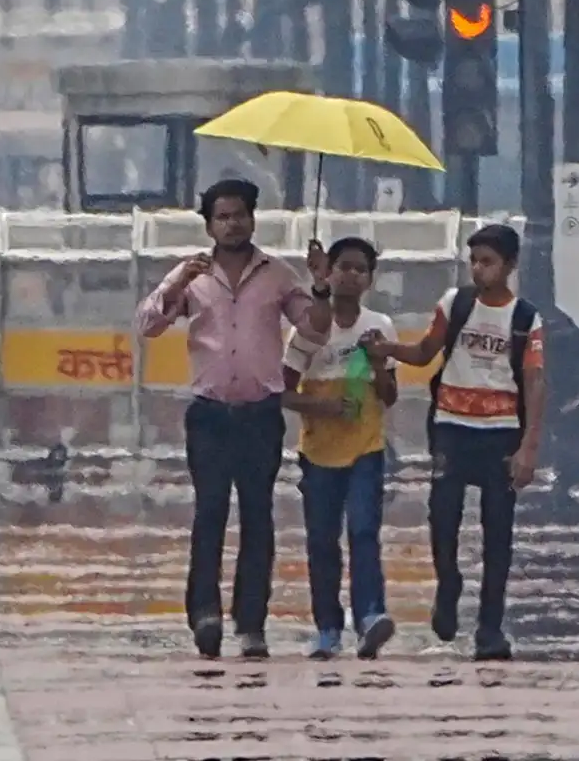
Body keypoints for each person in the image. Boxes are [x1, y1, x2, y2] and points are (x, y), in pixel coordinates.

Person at [134, 178, 332, 660]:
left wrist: (321, 285)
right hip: (209, 415)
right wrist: (176, 284)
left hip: (261, 415)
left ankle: (251, 623)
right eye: (222, 216)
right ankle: (204, 615)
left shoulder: (279, 275)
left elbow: (316, 330)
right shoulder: (192, 275)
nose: (232, 223)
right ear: (208, 224)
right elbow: (148, 324)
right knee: (209, 515)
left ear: (253, 218)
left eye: (240, 214)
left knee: (258, 518)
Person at [362, 223, 543, 660]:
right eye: (474, 261)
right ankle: (449, 584)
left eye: (489, 262)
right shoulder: (456, 305)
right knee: (443, 515)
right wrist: (387, 349)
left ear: (510, 266)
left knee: (498, 531)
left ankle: (490, 628)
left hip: (500, 431)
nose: (479, 270)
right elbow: (426, 352)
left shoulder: (525, 320)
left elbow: (535, 382)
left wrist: (529, 446)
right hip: (450, 426)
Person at [282, 237, 399, 660]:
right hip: (318, 453)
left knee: (364, 531)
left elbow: (389, 396)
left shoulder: (380, 326)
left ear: (370, 279)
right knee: (322, 540)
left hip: (366, 447)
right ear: (326, 272)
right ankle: (328, 628)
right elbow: (281, 392)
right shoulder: (308, 330)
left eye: (359, 269)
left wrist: (379, 361)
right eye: (343, 267)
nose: (350, 275)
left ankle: (370, 616)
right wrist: (325, 406)